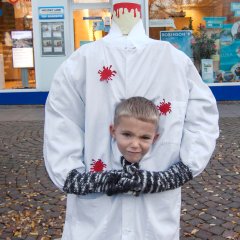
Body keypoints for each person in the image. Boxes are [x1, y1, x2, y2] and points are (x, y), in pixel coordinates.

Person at [44, 0, 219, 239]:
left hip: (152, 211)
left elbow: (203, 120)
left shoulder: (174, 62)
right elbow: (61, 127)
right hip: (97, 214)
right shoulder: (81, 63)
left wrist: (178, 172)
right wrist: (85, 180)